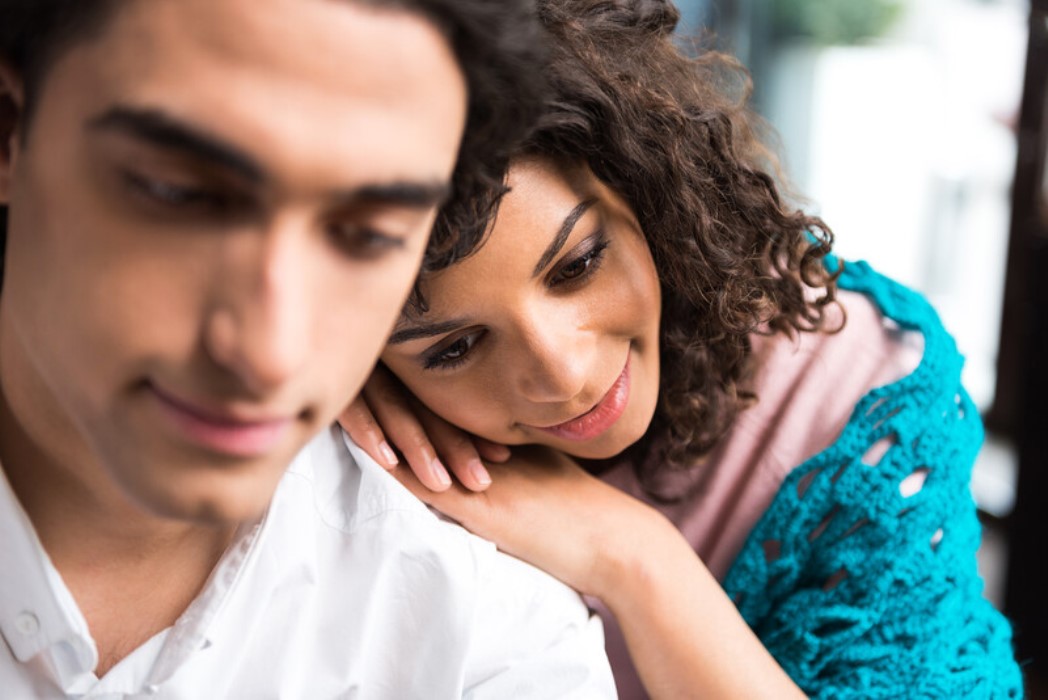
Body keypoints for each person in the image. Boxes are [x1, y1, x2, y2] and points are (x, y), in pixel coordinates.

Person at [341, 0, 1026, 697]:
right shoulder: (341, 439)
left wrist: (633, 557)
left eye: (577, 266)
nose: (564, 375)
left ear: (644, 189)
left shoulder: (861, 391)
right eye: (455, 348)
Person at [0, 0, 618, 696]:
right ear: (9, 130)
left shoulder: (488, 640)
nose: (270, 355)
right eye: (177, 194)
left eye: (371, 234)